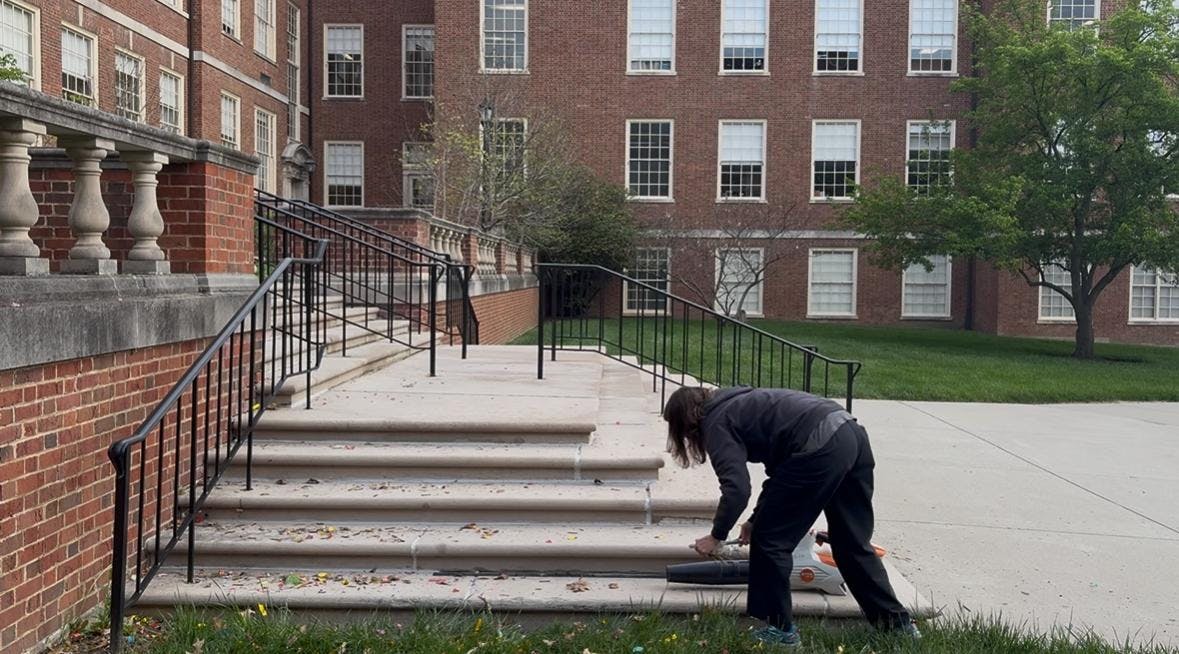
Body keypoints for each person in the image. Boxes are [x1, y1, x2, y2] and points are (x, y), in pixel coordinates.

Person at [662, 385, 920, 647]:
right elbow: (781, 474)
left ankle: (781, 631)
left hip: (820, 447)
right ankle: (898, 626)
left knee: (771, 542)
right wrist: (754, 520)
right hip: (850, 433)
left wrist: (717, 536)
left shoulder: (717, 422)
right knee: (851, 543)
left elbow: (737, 489)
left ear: (687, 421)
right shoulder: (742, 401)